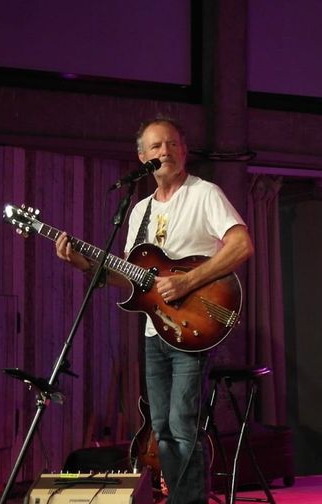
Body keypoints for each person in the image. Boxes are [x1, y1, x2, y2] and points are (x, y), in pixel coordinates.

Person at [55, 117, 253, 504]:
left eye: (173, 144)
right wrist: (83, 264)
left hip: (192, 328)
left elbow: (241, 245)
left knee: (182, 425)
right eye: (157, 147)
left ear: (184, 150)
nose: (166, 152)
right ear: (142, 156)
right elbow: (132, 279)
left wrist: (186, 282)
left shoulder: (204, 194)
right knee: (160, 429)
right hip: (155, 332)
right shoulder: (140, 209)